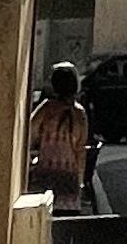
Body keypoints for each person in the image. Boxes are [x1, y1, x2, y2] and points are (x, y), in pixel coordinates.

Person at [25, 60, 93, 215]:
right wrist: (80, 182)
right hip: (69, 182)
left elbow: (29, 134)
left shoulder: (46, 109)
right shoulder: (79, 113)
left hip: (44, 178)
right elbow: (80, 150)